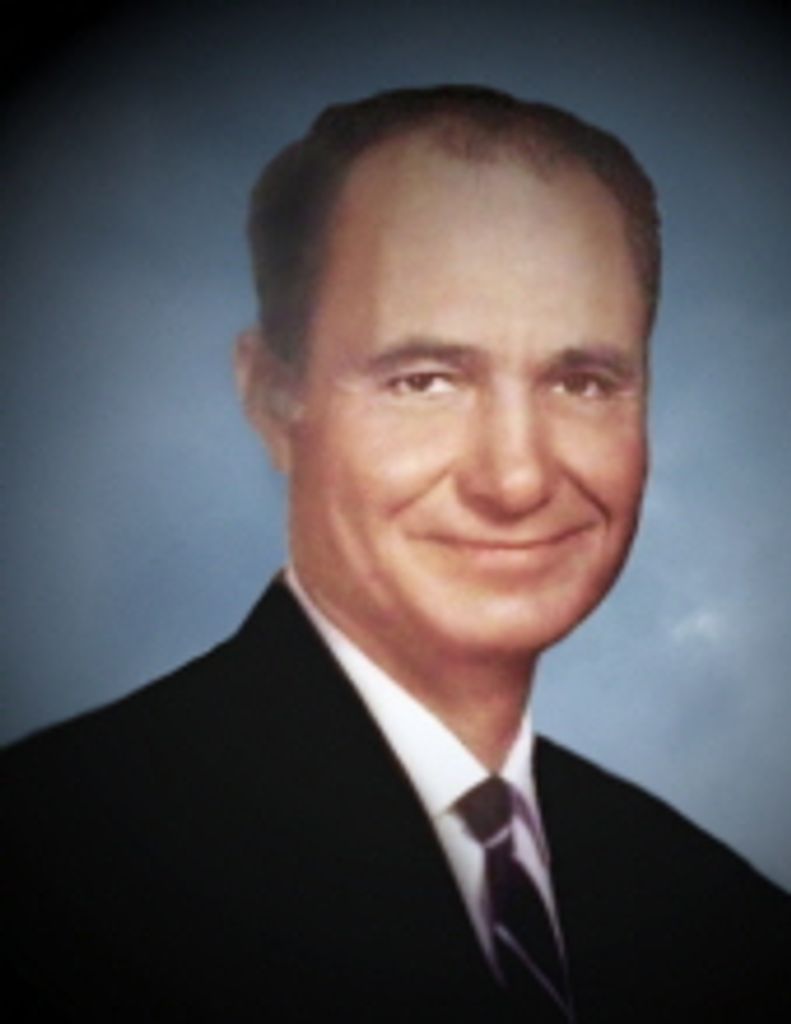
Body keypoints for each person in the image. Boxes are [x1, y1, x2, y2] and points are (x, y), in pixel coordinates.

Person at [4, 85, 788, 1022]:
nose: (515, 478)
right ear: (272, 400)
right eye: (424, 381)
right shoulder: (54, 865)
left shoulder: (722, 912)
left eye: (582, 383)